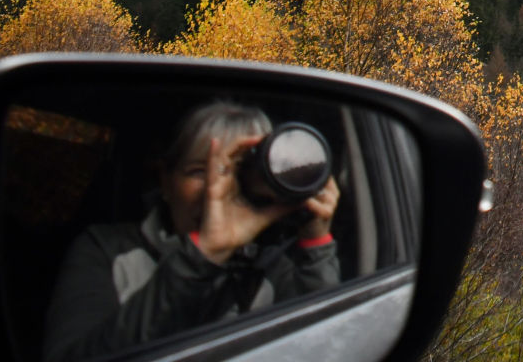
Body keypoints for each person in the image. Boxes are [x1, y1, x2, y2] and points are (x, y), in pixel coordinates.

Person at [42, 101, 342, 362]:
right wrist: (202, 255)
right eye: (200, 171)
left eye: (237, 173)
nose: (217, 192)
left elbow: (329, 347)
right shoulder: (105, 250)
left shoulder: (273, 270)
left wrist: (315, 241)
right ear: (165, 181)